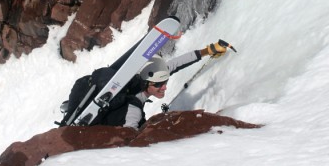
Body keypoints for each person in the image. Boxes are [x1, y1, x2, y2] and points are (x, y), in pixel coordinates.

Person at [92, 42, 230, 129]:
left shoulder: (146, 77)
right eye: (159, 85)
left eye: (165, 82)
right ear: (146, 83)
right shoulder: (134, 110)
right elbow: (130, 143)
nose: (164, 87)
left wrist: (208, 51)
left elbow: (176, 63)